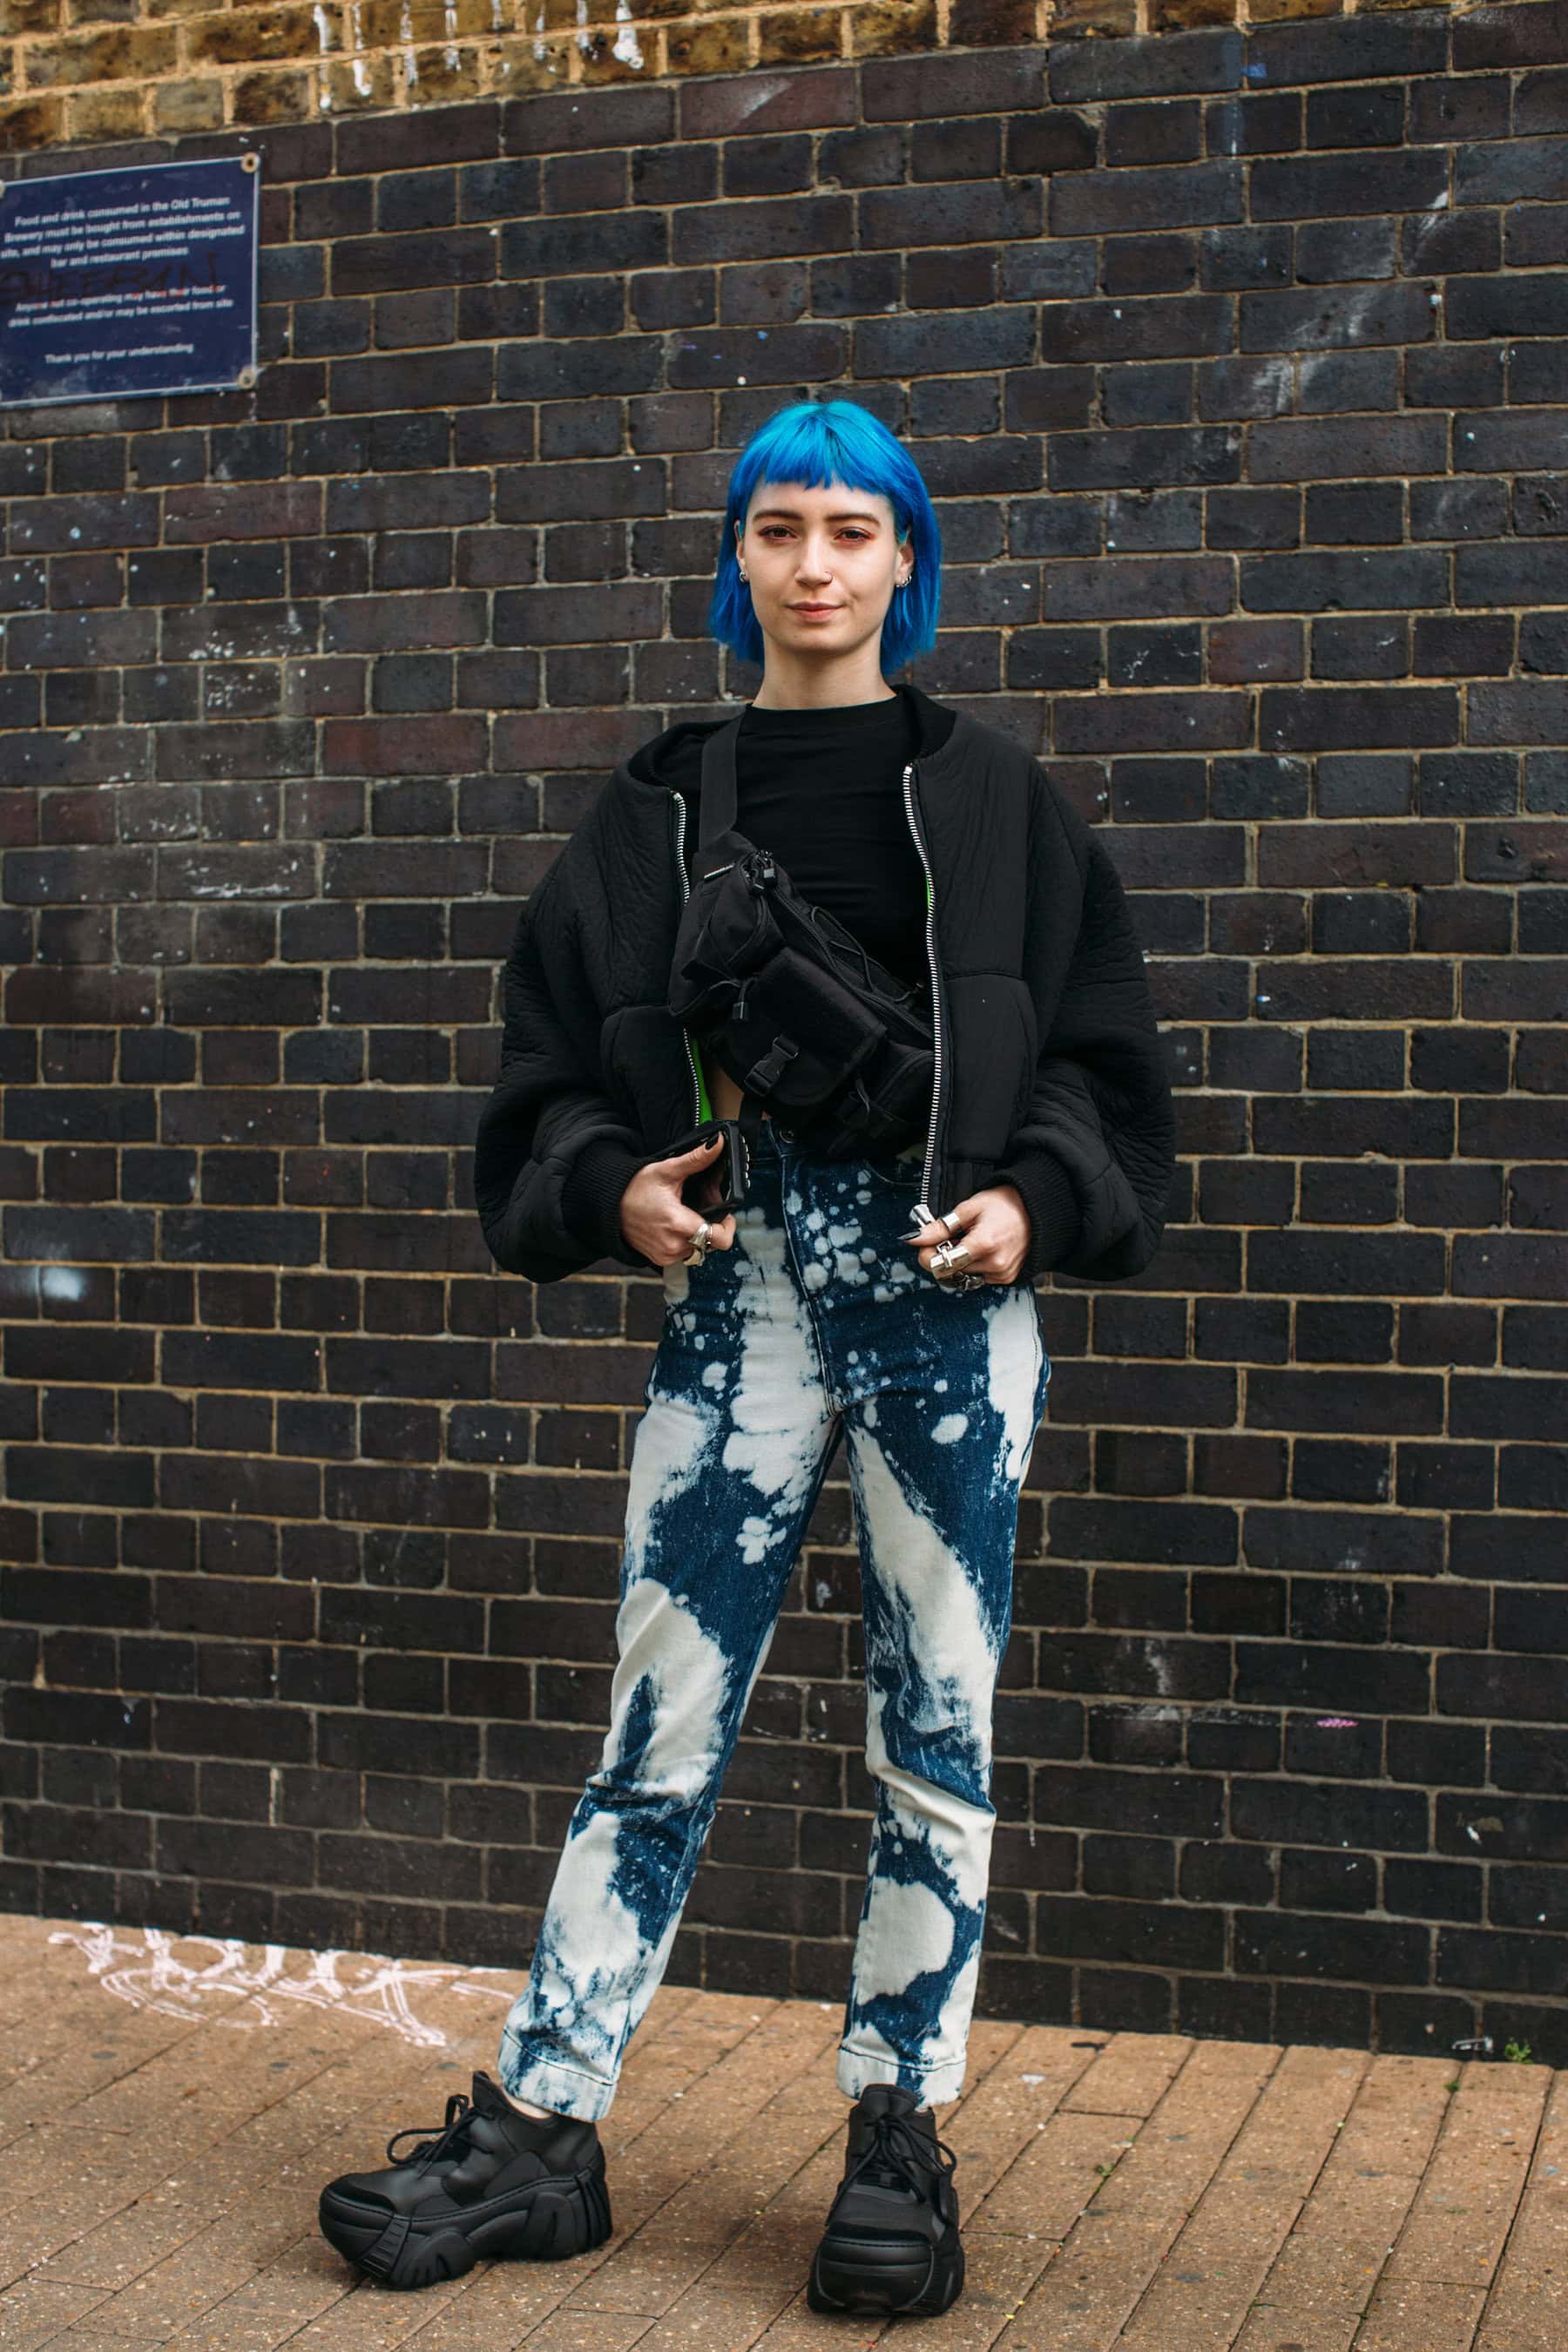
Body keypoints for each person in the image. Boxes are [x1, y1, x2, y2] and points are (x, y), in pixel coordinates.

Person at [319, 398, 1175, 2316]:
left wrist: (1034, 1198)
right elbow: (547, 1057)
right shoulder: (658, 807)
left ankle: (898, 2134)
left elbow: (1105, 1059)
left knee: (937, 1727)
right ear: (738, 558)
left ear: (906, 561)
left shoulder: (998, 800)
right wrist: (610, 1183)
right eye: (780, 527)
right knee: (661, 1714)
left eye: (854, 531)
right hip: (743, 1291)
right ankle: (544, 2131)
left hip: (949, 1296)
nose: (814, 564)